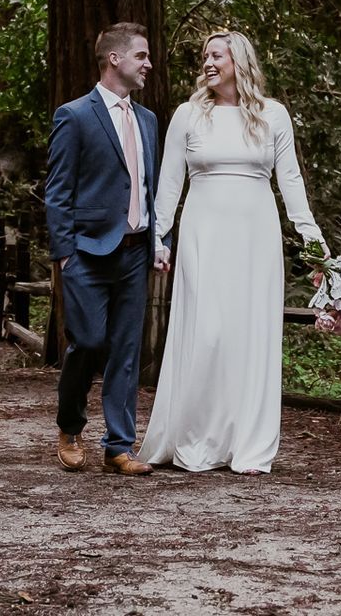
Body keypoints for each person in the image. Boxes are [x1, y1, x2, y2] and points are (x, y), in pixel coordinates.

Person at [138, 30, 324, 475]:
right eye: (204, 55)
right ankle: (197, 438)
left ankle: (250, 445)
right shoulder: (187, 115)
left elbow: (292, 182)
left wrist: (316, 246)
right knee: (207, 332)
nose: (207, 62)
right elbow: (168, 185)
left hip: (255, 236)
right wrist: (158, 238)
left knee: (250, 335)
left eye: (216, 55)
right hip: (203, 233)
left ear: (238, 60)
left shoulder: (273, 115)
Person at [44, 22, 160, 476]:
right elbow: (57, 191)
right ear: (115, 59)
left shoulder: (148, 120)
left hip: (135, 252)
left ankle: (118, 446)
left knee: (127, 348)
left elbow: (148, 187)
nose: (148, 64)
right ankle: (70, 426)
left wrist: (157, 242)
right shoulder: (73, 115)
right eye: (141, 56)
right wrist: (65, 254)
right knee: (88, 341)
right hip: (88, 254)